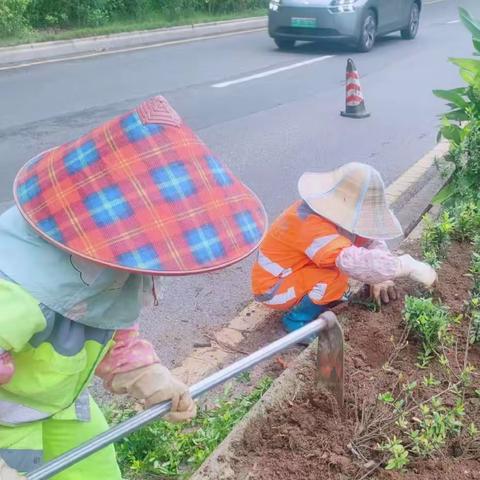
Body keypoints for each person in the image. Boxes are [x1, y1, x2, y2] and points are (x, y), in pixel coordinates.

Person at [0, 96, 267, 479]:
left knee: (98, 471)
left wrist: (151, 378)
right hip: (7, 419)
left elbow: (114, 336)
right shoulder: (14, 290)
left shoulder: (108, 271)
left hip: (59, 402)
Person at [251, 162, 436, 335]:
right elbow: (349, 260)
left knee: (339, 273)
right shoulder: (310, 223)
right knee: (336, 275)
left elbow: (368, 239)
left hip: (294, 272)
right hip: (272, 288)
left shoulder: (329, 213)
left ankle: (318, 300)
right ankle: (297, 321)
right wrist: (402, 266)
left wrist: (381, 277)